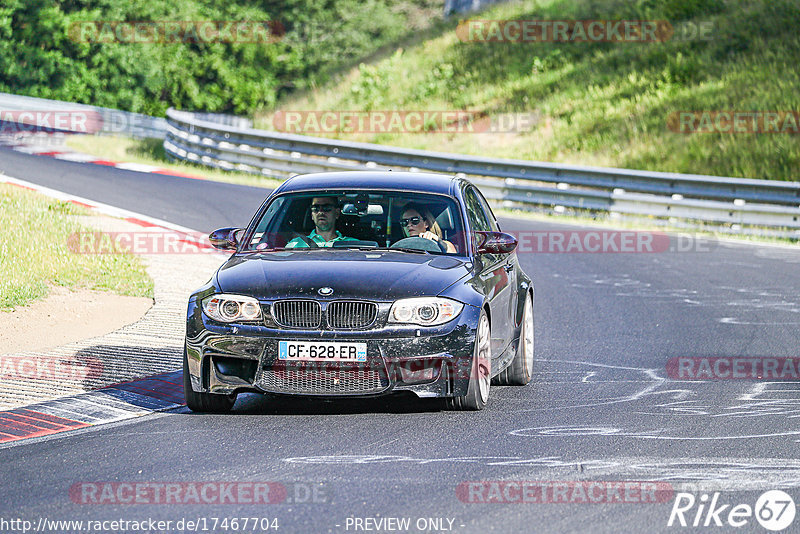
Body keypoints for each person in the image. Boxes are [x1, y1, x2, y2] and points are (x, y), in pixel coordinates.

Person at [285, 196, 358, 248]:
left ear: (337, 213)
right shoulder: (296, 244)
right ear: (312, 215)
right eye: (316, 208)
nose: (320, 212)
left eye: (326, 208)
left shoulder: (354, 245)